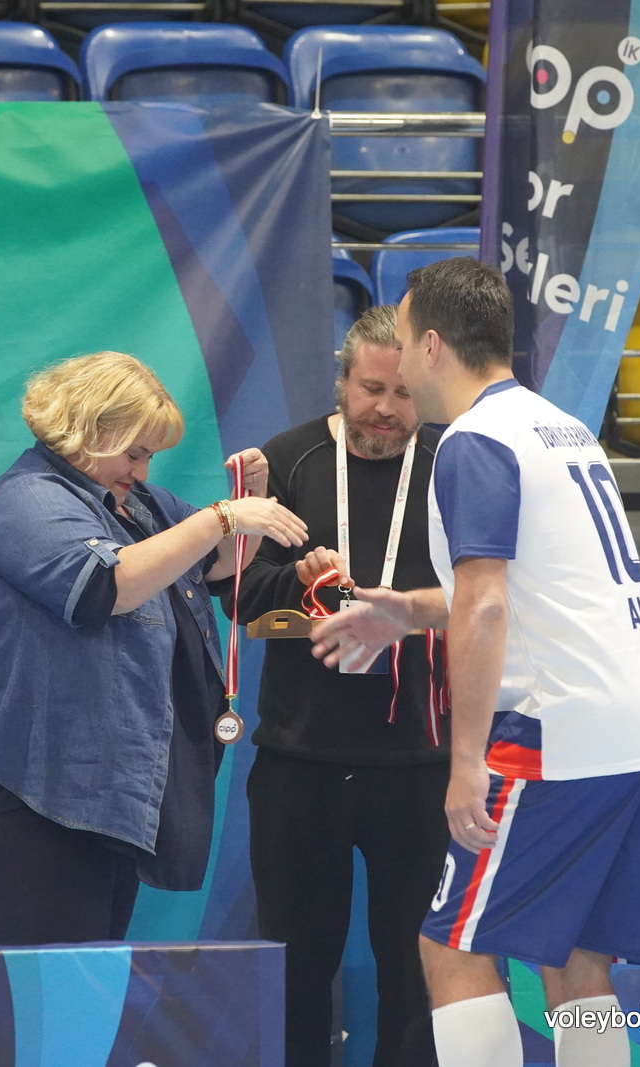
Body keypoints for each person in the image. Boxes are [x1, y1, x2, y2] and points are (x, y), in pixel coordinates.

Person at [311, 258, 640, 1067]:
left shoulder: (474, 439)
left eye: (403, 337)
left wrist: (466, 761)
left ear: (430, 345)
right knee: (577, 958)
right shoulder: (563, 426)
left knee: (453, 945)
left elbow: (487, 604)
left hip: (562, 727)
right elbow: (537, 586)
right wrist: (408, 608)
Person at [0, 351, 306, 946]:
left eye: (150, 456)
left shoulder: (139, 506)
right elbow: (105, 588)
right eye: (134, 453)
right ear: (88, 429)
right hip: (15, 780)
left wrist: (251, 504)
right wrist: (220, 516)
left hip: (87, 785)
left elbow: (217, 565)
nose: (142, 470)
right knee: (60, 968)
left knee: (93, 964)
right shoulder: (27, 499)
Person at [233, 306, 447, 1067]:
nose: (385, 409)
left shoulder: (451, 464)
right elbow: (237, 597)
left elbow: (492, 597)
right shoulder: (288, 460)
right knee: (295, 970)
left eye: (402, 393)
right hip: (301, 759)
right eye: (369, 389)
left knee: (417, 975)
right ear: (341, 382)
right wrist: (298, 578)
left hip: (421, 762)